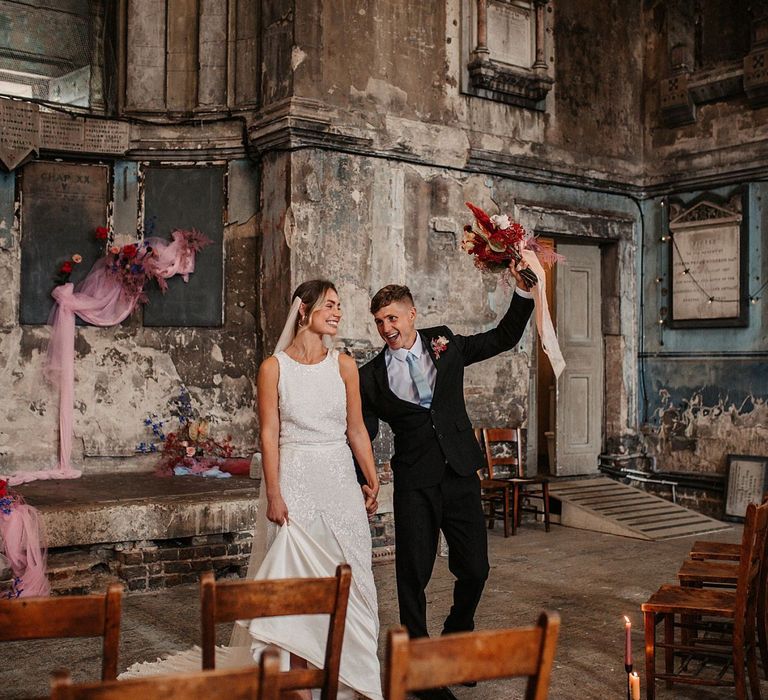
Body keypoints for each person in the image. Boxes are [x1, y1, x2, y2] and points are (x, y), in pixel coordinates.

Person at [122, 280, 383, 700]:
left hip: (338, 479)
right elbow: (268, 434)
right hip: (295, 477)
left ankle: (351, 683)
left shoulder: (345, 365)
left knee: (353, 575)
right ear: (304, 309)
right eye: (330, 305)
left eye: (339, 306)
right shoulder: (273, 368)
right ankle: (297, 685)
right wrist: (275, 493)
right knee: (295, 581)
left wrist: (371, 477)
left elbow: (356, 429)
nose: (337, 312)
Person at [358, 263, 534, 700]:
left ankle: (457, 631)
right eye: (380, 322)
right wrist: (361, 475)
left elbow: (502, 337)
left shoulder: (446, 343)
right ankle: (420, 668)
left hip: (459, 473)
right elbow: (361, 431)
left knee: (476, 567)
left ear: (412, 314)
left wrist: (524, 294)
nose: (386, 328)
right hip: (415, 482)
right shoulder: (370, 376)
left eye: (393, 318)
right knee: (411, 573)